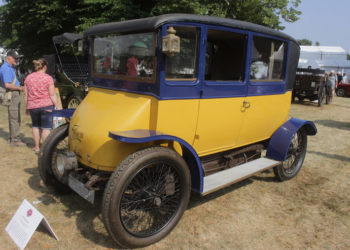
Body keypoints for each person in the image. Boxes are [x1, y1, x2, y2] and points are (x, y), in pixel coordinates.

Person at [24, 58, 60, 151]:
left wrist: (26, 106)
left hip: (33, 106)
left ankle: (36, 147)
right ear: (44, 66)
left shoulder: (28, 77)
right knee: (46, 128)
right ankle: (45, 149)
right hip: (46, 106)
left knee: (36, 126)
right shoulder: (48, 78)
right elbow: (52, 94)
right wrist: (57, 105)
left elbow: (25, 94)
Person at [0, 50, 26, 147]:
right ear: (9, 57)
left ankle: (13, 137)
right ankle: (14, 140)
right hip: (12, 94)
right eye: (15, 58)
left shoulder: (9, 67)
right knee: (14, 117)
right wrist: (20, 88)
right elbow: (7, 85)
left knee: (14, 116)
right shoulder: (6, 68)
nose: (17, 60)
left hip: (14, 93)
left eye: (18, 58)